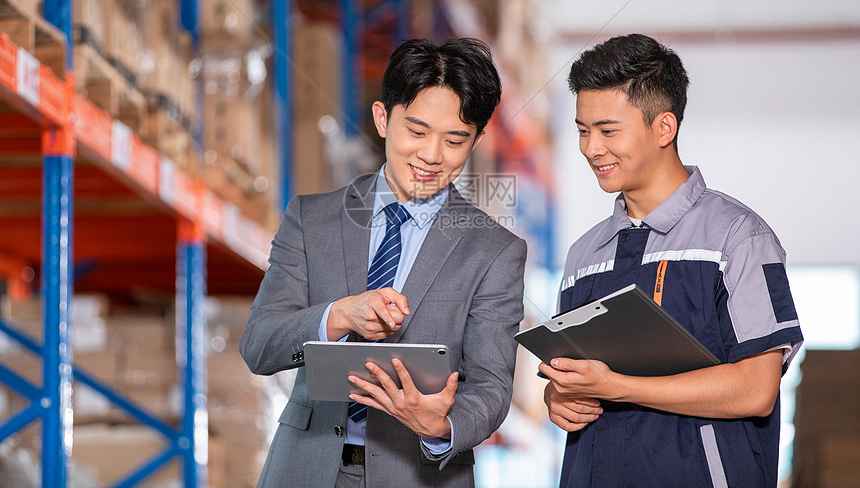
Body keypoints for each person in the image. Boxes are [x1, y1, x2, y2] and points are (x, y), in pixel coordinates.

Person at [240, 38, 527, 488]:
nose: (432, 155)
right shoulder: (310, 219)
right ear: (382, 118)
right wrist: (337, 316)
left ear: (475, 140)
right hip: (305, 470)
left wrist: (441, 427)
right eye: (416, 131)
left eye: (455, 140)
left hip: (420, 473)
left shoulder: (494, 250)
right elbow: (259, 344)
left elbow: (491, 387)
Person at [541, 33, 804, 487]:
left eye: (607, 130)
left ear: (664, 128)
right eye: (583, 131)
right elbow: (574, 377)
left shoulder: (739, 238)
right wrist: (558, 398)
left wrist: (620, 387)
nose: (590, 148)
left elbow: (756, 390)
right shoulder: (584, 254)